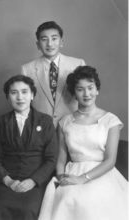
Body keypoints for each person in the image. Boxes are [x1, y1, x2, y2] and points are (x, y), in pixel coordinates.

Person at [38, 66, 128, 220]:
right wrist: (61, 177)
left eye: (90, 88)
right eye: (80, 89)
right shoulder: (64, 122)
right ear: (74, 93)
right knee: (68, 200)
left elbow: (110, 161)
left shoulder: (110, 120)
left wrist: (82, 179)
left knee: (93, 202)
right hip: (73, 171)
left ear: (97, 90)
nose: (87, 94)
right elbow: (61, 158)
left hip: (103, 173)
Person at [0, 75, 58, 220]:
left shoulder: (45, 121)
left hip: (36, 182)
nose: (20, 97)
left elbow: (51, 159)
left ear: (32, 95)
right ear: (8, 97)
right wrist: (8, 180)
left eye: (24, 92)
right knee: (0, 206)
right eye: (14, 93)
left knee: (29, 209)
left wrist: (33, 181)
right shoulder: (1, 122)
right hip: (6, 182)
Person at [22, 21, 86, 127]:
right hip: (41, 128)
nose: (50, 44)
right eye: (44, 39)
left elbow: (86, 98)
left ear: (61, 42)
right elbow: (25, 105)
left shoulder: (78, 64)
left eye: (54, 38)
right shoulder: (27, 69)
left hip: (73, 126)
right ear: (38, 44)